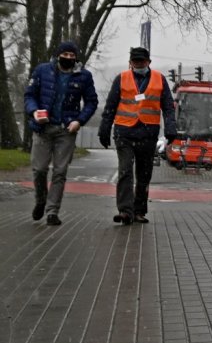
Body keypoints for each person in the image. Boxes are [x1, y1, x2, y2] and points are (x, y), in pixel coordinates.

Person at [23, 40, 99, 225]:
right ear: (58, 56)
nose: (68, 58)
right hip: (43, 128)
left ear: (76, 58)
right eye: (65, 55)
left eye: (72, 56)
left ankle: (52, 211)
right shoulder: (42, 71)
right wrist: (34, 111)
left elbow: (91, 101)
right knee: (39, 169)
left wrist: (79, 121)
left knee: (60, 171)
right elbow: (30, 95)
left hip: (66, 130)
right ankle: (41, 199)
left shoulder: (84, 76)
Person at [98, 46, 177, 225]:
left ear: (149, 62)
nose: (138, 64)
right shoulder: (121, 79)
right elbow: (110, 106)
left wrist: (171, 128)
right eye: (135, 62)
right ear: (130, 63)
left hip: (148, 134)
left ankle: (139, 210)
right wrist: (104, 129)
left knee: (144, 174)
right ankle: (125, 211)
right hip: (124, 132)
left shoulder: (160, 80)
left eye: (141, 61)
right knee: (125, 170)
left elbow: (168, 107)